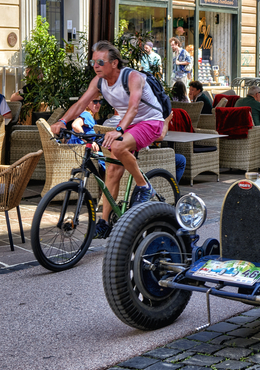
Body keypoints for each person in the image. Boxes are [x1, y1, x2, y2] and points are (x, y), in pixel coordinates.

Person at [51, 40, 177, 240]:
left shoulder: (133, 77)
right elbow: (81, 103)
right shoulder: (99, 81)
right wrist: (62, 121)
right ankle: (103, 223)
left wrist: (118, 129)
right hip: (127, 123)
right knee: (112, 171)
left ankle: (144, 186)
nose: (96, 66)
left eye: (100, 62)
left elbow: (134, 107)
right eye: (93, 62)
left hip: (149, 121)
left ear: (115, 63)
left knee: (117, 146)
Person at [235, 85, 260, 161]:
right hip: (252, 134)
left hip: (237, 133)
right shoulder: (257, 104)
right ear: (257, 94)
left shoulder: (239, 101)